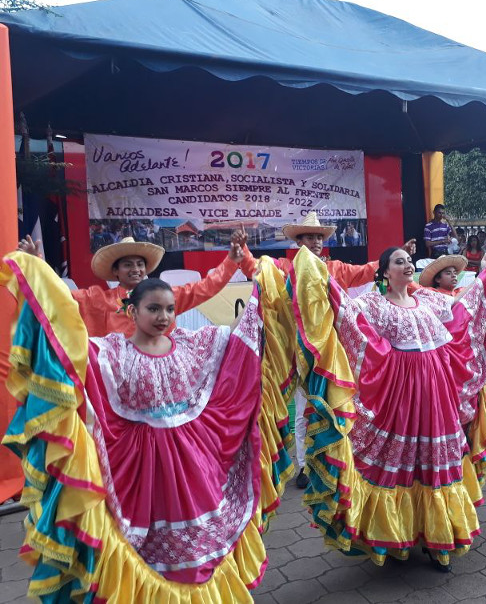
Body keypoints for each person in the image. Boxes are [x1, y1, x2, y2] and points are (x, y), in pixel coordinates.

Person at [0, 252, 294, 602]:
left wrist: (260, 297)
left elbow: (237, 350)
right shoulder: (114, 353)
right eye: (153, 309)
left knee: (198, 541)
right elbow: (68, 345)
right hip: (140, 467)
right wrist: (40, 278)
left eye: (169, 309)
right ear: (132, 312)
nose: (163, 316)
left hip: (191, 461)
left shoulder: (190, 346)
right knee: (142, 541)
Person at [283, 245, 486, 571]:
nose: (407, 265)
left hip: (436, 396)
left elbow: (461, 308)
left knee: (435, 461)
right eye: (398, 261)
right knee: (401, 462)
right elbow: (347, 317)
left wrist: (485, 280)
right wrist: (324, 283)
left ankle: (438, 541)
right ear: (384, 272)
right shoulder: (375, 304)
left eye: (408, 261)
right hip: (399, 401)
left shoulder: (429, 299)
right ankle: (397, 533)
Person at [275, 212, 416, 489]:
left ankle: (338, 460)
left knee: (340, 404)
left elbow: (366, 270)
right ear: (298, 242)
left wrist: (396, 256)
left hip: (335, 350)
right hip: (303, 352)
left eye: (318, 237)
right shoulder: (285, 269)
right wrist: (240, 257)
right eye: (309, 237)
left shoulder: (334, 268)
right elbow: (258, 270)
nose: (315, 242)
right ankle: (305, 466)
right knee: (304, 409)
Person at [17, 230, 256, 338]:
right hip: (118, 380)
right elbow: (61, 295)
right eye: (128, 264)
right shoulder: (99, 299)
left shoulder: (164, 295)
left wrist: (231, 261)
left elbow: (205, 288)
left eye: (140, 264)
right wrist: (36, 264)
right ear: (115, 272)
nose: (135, 269)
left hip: (161, 372)